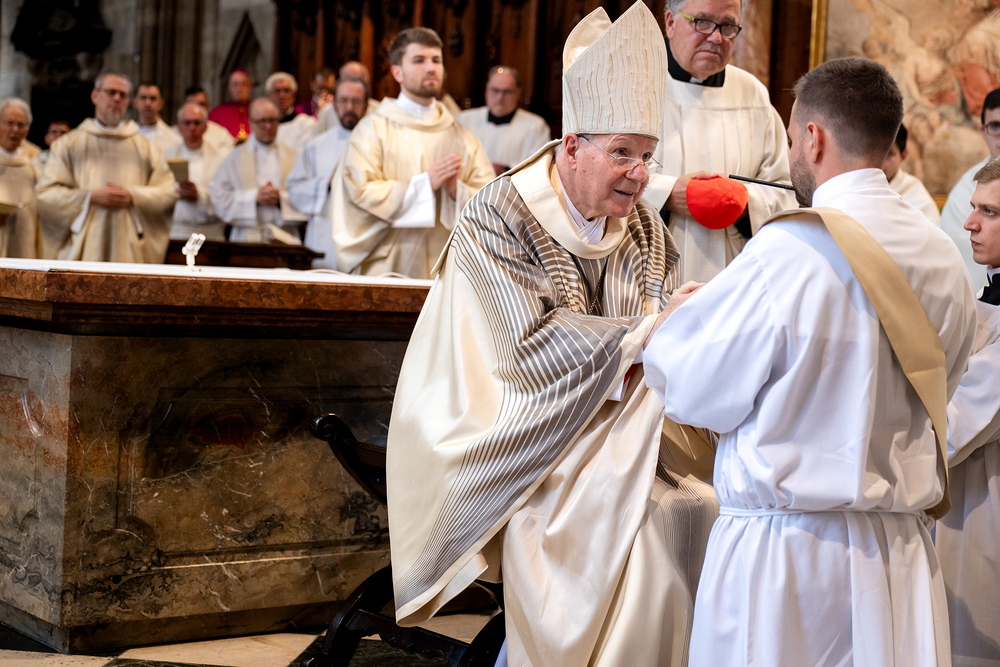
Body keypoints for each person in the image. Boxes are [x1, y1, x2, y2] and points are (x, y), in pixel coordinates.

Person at [387, 5, 718, 667]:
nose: (639, 174)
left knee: (705, 504)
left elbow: (660, 335)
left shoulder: (644, 227)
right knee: (641, 527)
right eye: (621, 153)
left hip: (612, 427)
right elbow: (522, 350)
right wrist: (649, 332)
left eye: (646, 156)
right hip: (499, 420)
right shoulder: (501, 214)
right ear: (571, 148)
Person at [643, 57, 976, 667]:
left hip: (785, 558)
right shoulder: (940, 253)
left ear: (814, 138)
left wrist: (674, 323)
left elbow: (693, 392)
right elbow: (943, 383)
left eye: (794, 136)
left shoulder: (789, 249)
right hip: (898, 553)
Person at [645, 0, 795, 284]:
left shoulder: (752, 94)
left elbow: (785, 191)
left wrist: (743, 201)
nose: (716, 38)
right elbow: (598, 173)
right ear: (670, 22)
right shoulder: (634, 84)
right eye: (702, 22)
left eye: (727, 26)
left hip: (734, 280)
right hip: (647, 277)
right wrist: (667, 194)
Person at [328, 28, 494, 279]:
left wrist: (455, 191)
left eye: (436, 60)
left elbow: (490, 203)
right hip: (388, 266)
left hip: (447, 271)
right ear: (397, 72)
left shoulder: (462, 136)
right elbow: (359, 192)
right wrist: (424, 185)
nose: (431, 68)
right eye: (419, 60)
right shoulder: (372, 129)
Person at [937, 158, 1000, 667]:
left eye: (990, 212)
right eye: (975, 207)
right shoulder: (988, 293)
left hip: (986, 505)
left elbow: (954, 430)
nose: (969, 223)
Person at [36, 72, 177, 263]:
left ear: (128, 101)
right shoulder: (68, 144)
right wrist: (90, 197)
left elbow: (168, 192)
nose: (117, 98)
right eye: (111, 92)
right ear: (95, 96)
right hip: (84, 249)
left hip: (129, 248)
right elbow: (46, 193)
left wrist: (132, 196)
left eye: (123, 95)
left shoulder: (146, 148)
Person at [286, 77, 366, 269]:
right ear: (334, 104)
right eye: (343, 100)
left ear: (366, 105)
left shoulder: (378, 145)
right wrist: (326, 185)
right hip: (325, 234)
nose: (349, 107)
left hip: (365, 236)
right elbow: (294, 190)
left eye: (356, 101)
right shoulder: (317, 146)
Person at [209, 98, 307, 243]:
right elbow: (219, 197)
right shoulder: (234, 157)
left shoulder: (295, 157)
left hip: (286, 237)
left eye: (273, 120)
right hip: (246, 237)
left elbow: (308, 196)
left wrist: (280, 200)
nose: (268, 126)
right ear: (251, 123)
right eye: (262, 121)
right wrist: (254, 198)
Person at [940, 87, 1000, 287]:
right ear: (983, 131)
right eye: (995, 126)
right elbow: (953, 250)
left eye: (989, 210)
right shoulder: (965, 189)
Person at [456, 66, 552, 175]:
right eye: (495, 90)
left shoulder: (535, 126)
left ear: (517, 92)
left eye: (507, 92)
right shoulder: (465, 120)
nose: (500, 97)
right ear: (486, 89)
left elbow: (541, 166)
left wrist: (506, 170)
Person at [163, 102, 231, 242]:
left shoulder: (221, 159)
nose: (192, 128)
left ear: (205, 127)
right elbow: (157, 193)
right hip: (175, 232)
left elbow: (227, 197)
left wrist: (199, 196)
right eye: (187, 123)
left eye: (197, 123)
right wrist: (175, 192)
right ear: (179, 127)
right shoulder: (165, 157)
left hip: (210, 234)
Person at [0, 98, 42, 258]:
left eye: (21, 125)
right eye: (9, 123)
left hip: (24, 236)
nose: (15, 130)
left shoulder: (35, 158)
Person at [883, 123, 940, 223]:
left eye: (887, 154)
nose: (876, 161)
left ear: (903, 156)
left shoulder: (919, 201)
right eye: (869, 153)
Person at [314, 61, 381, 134]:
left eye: (357, 81)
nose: (350, 107)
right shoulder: (326, 112)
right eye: (347, 80)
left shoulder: (380, 112)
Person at [266, 72, 316, 156]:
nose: (282, 95)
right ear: (268, 95)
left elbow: (303, 156)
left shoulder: (306, 123)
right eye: (277, 91)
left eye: (286, 90)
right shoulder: (263, 125)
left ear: (293, 95)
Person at [176, 85, 235, 151]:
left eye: (201, 104)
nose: (197, 109)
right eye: (192, 104)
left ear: (208, 105)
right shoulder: (172, 135)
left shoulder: (221, 136)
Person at [132, 83, 182, 152]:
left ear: (161, 104)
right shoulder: (127, 134)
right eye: (143, 98)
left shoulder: (174, 140)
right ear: (135, 102)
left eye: (153, 98)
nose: (148, 103)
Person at [209, 69, 253, 143]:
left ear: (250, 86)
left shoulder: (259, 111)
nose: (239, 89)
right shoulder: (217, 113)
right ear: (229, 88)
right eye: (235, 85)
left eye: (244, 84)